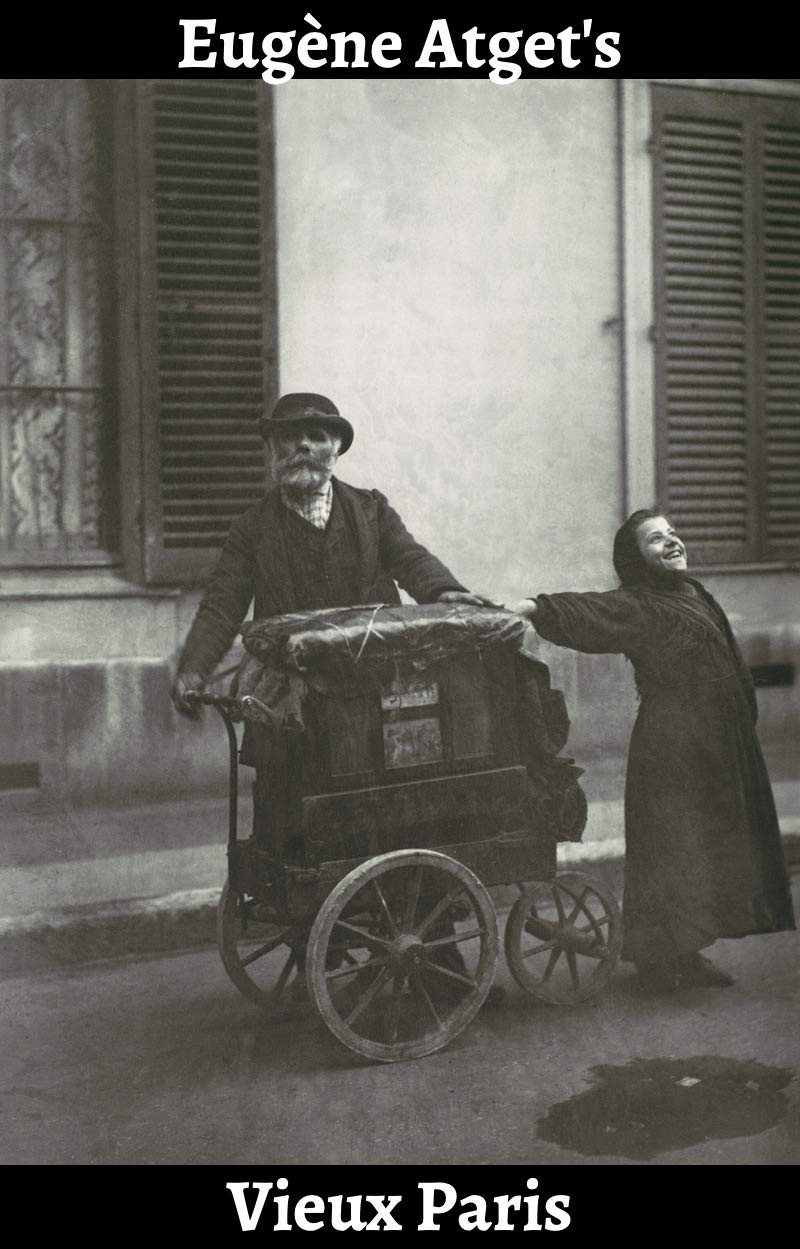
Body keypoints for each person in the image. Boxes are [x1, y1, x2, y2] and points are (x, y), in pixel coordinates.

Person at [505, 509, 795, 993]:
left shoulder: (696, 594)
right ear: (636, 559)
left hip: (718, 744)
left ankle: (689, 952)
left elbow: (731, 658)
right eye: (656, 540)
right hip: (673, 747)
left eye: (673, 534)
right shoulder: (637, 605)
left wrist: (742, 720)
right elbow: (589, 610)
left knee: (702, 848)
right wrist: (532, 607)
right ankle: (658, 962)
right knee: (672, 849)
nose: (672, 542)